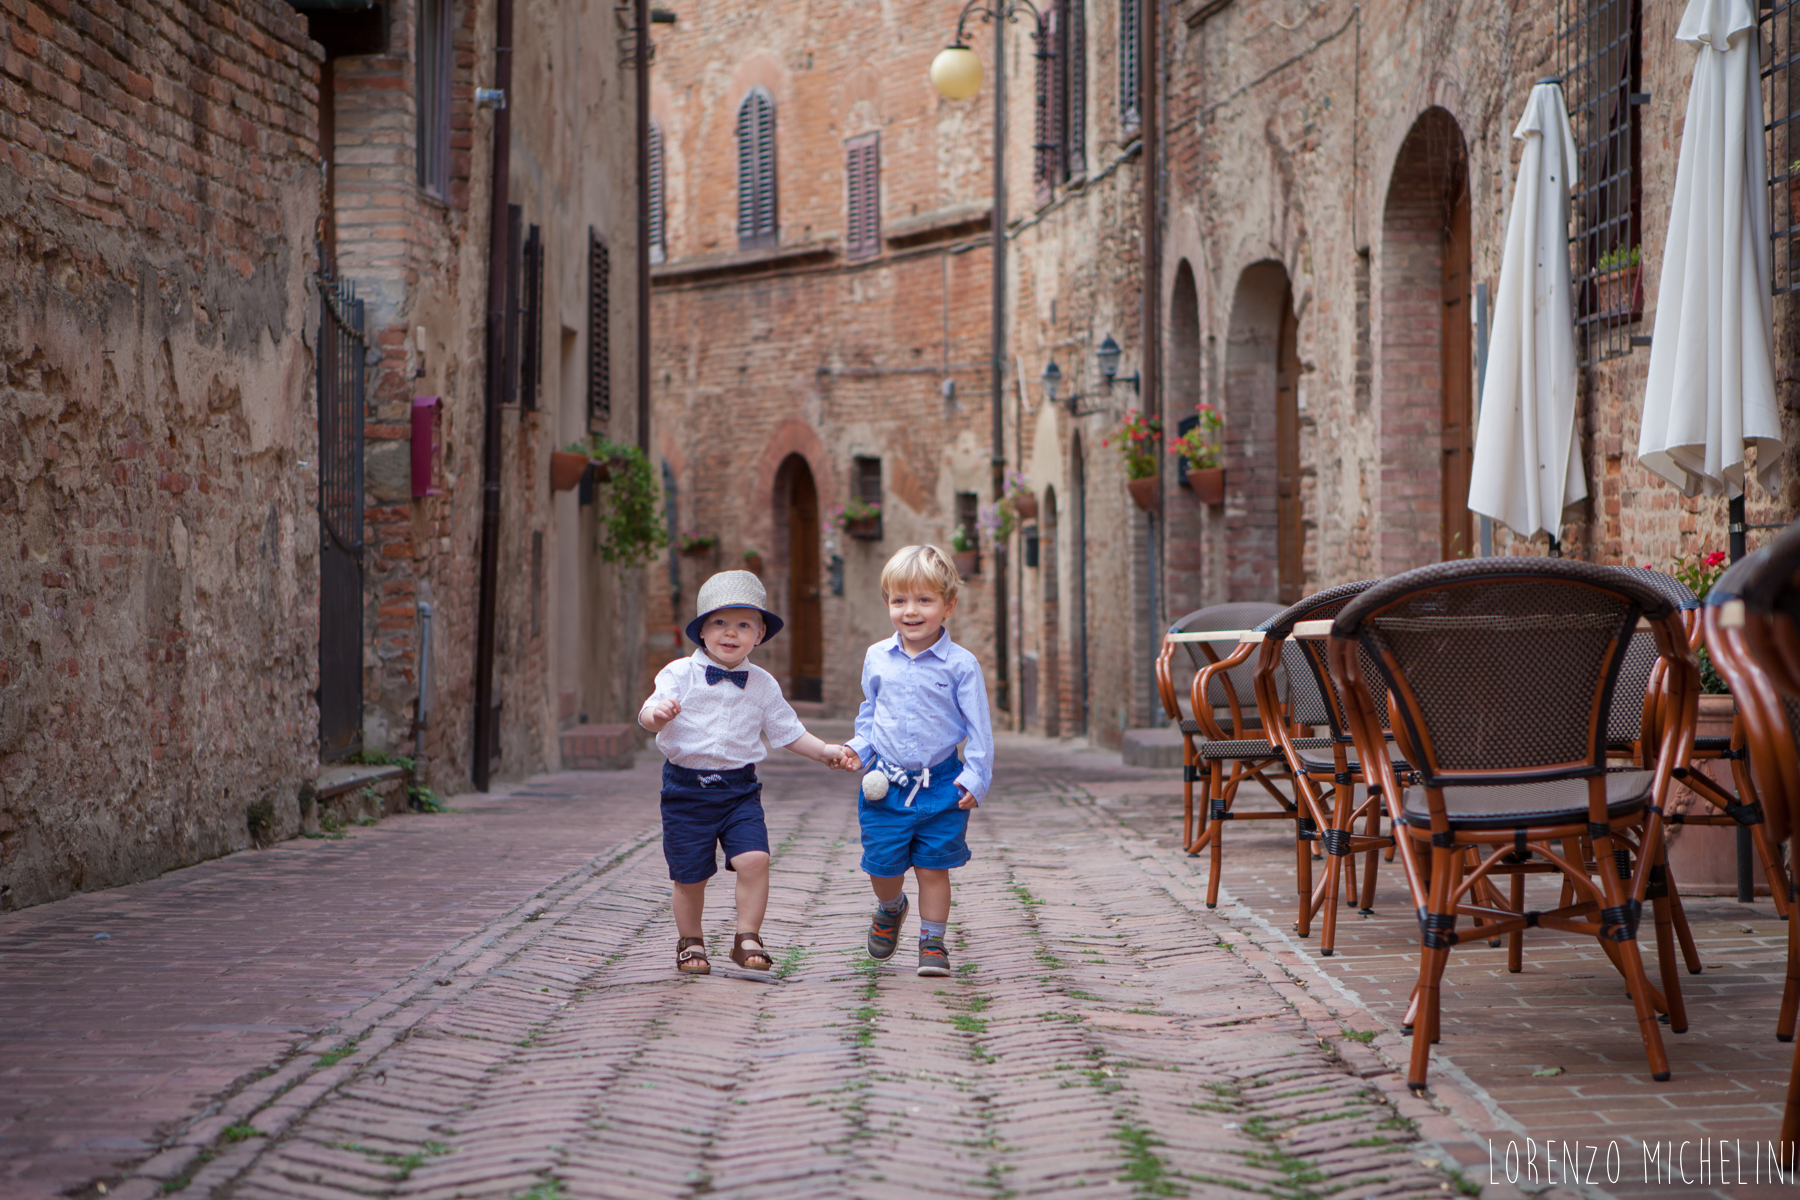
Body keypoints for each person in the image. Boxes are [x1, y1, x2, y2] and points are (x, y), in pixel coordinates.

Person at [640, 570, 852, 975]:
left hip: (739, 789)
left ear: (759, 636)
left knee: (755, 859)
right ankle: (691, 942)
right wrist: (658, 714)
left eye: (743, 624)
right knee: (690, 876)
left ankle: (747, 936)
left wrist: (825, 751)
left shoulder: (763, 684)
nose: (730, 633)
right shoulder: (679, 674)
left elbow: (788, 731)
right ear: (702, 631)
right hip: (686, 789)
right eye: (719, 622)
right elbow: (648, 715)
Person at [838, 544, 994, 977]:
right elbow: (871, 715)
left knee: (933, 867)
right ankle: (891, 907)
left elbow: (979, 729)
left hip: (942, 785)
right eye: (900, 600)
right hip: (885, 786)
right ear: (887, 603)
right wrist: (858, 748)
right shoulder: (877, 657)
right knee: (882, 865)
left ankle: (933, 942)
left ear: (949, 605)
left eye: (924, 600)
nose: (911, 611)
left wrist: (975, 778)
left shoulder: (962, 666)